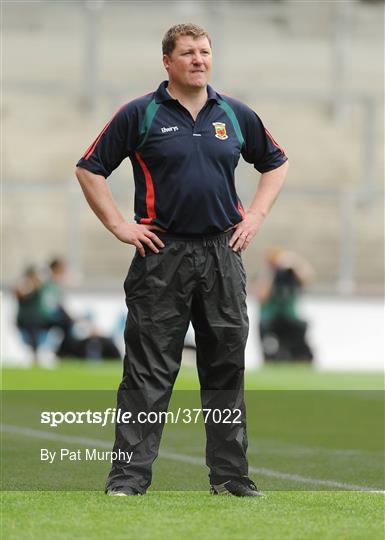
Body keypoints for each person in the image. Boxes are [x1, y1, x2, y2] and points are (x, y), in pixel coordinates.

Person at [75, 23, 289, 497]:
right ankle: (128, 479)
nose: (198, 59)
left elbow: (276, 161)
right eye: (188, 52)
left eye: (205, 52)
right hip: (161, 254)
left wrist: (255, 215)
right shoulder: (140, 113)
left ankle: (231, 478)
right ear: (167, 61)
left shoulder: (233, 114)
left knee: (225, 367)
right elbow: (89, 168)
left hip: (223, 253)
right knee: (148, 371)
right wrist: (119, 226)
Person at [256, 248, 314, 361]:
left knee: (301, 329)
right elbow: (262, 296)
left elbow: (308, 278)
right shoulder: (269, 276)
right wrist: (272, 271)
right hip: (271, 319)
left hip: (289, 318)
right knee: (266, 335)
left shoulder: (293, 277)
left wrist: (295, 262)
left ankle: (299, 357)